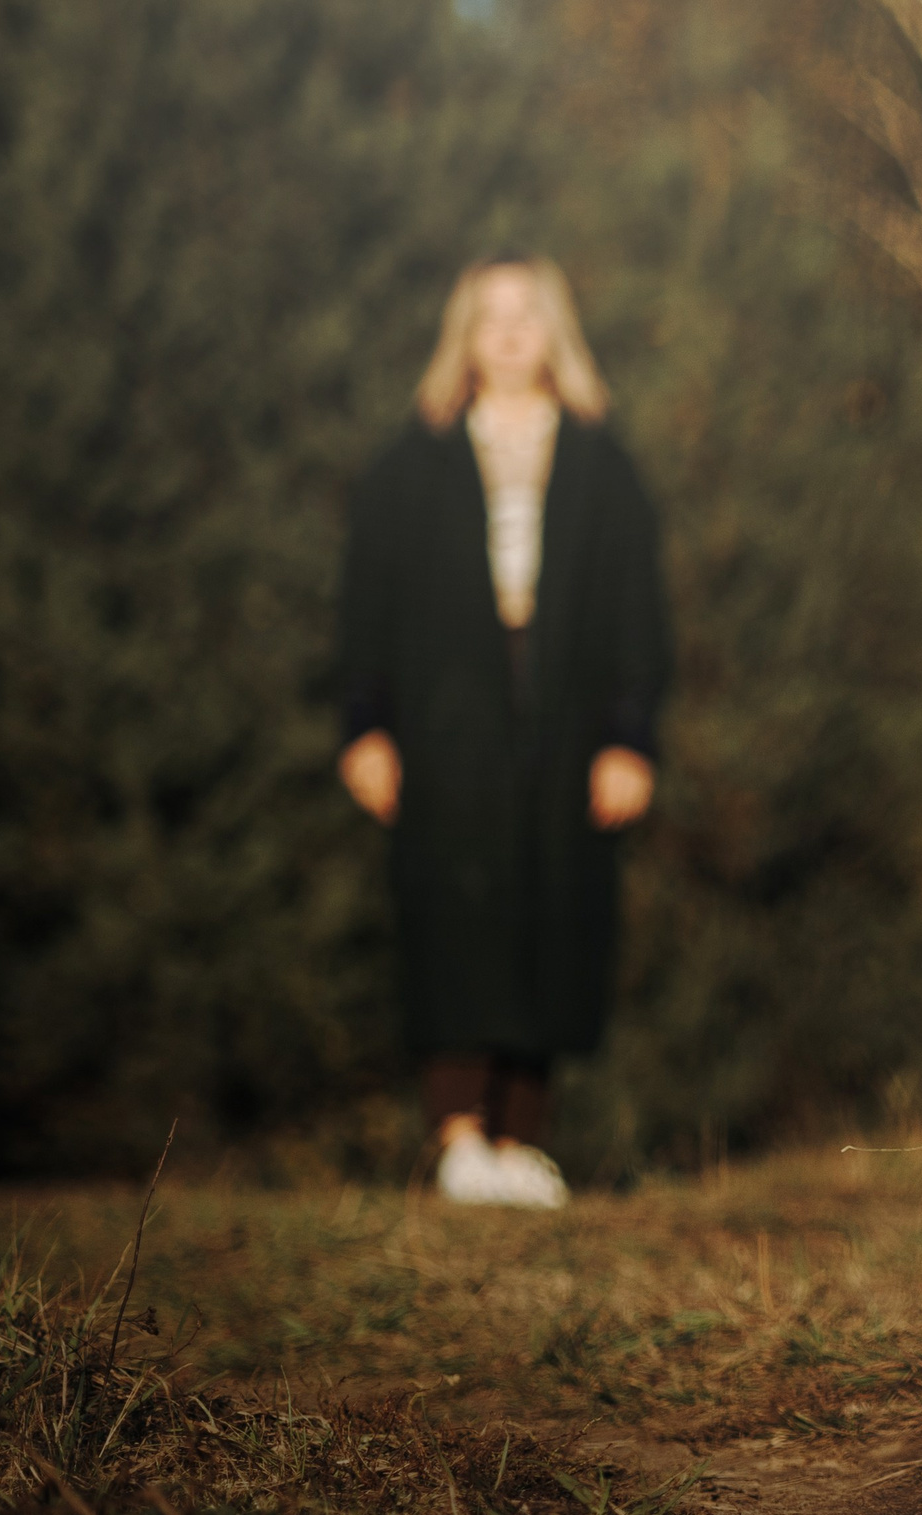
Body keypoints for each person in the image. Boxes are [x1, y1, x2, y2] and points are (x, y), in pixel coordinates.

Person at [336, 255, 670, 1207]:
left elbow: (638, 615)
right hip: (446, 725)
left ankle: (520, 1139)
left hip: (567, 724)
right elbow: (367, 605)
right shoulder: (415, 461)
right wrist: (366, 727)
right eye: (493, 315)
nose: (512, 330)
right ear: (466, 336)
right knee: (457, 910)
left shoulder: (604, 465)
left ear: (554, 330)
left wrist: (631, 738)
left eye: (529, 313)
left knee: (556, 908)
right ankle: (458, 1138)